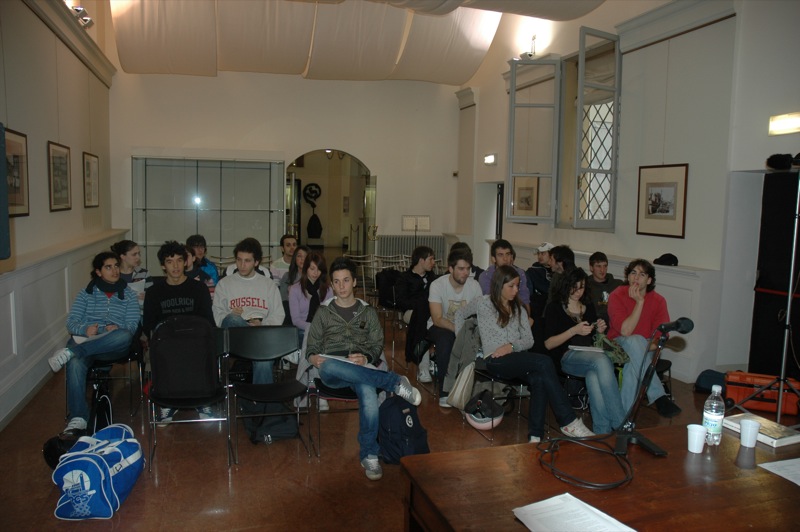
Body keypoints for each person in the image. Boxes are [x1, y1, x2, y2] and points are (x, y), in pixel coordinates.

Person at [306, 257, 421, 481]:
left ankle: (369, 454)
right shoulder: (324, 311)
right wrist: (313, 357)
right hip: (332, 371)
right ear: (331, 285)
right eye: (336, 282)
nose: (341, 286)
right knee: (330, 364)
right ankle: (393, 382)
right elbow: (311, 347)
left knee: (368, 392)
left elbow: (377, 344)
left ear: (355, 282)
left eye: (346, 280)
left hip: (361, 368)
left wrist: (366, 356)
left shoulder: (367, 312)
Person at [455, 266, 594, 443]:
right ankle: (568, 420)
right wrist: (461, 341)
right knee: (544, 362)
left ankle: (535, 436)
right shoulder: (483, 303)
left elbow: (529, 340)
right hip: (493, 359)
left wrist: (511, 346)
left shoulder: (519, 309)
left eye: (517, 286)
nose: (516, 290)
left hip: (515, 358)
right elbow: (459, 314)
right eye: (511, 286)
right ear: (500, 285)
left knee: (539, 377)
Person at [48, 251, 140, 437]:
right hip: (88, 339)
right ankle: (78, 417)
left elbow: (132, 325)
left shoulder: (129, 295)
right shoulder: (86, 294)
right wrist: (85, 329)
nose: (115, 270)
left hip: (112, 344)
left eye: (116, 266)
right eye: (108, 267)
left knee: (124, 336)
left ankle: (71, 352)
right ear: (98, 272)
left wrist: (117, 327)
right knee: (75, 363)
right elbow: (71, 323)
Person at [543, 267, 625, 434]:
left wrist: (599, 330)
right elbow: (548, 344)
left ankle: (602, 430)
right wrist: (574, 330)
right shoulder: (555, 307)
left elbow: (594, 337)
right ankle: (621, 423)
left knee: (594, 376)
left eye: (581, 287)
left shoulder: (588, 307)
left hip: (589, 355)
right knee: (602, 360)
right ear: (566, 285)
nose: (578, 292)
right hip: (566, 356)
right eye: (574, 287)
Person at [143, 241, 215, 421]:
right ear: (163, 266)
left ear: (185, 262)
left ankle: (202, 399)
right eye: (170, 262)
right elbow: (149, 324)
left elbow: (208, 320)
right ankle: (168, 402)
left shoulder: (199, 288)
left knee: (201, 346)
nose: (175, 266)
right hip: (167, 341)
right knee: (166, 349)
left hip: (194, 339)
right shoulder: (154, 292)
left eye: (179, 261)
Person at [607, 259, 681, 417]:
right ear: (628, 276)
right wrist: (639, 302)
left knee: (632, 367)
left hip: (646, 348)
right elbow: (625, 331)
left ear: (649, 280)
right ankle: (659, 396)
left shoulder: (658, 301)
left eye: (641, 274)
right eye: (633, 273)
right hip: (618, 346)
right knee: (635, 340)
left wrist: (641, 348)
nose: (636, 277)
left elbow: (660, 338)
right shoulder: (617, 295)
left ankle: (623, 420)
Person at [213, 237, 285, 385]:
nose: (242, 265)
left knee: (264, 360)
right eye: (239, 260)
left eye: (247, 261)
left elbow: (278, 314)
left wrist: (262, 324)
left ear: (256, 262)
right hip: (236, 333)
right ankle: (257, 348)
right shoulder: (224, 284)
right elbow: (218, 315)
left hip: (261, 331)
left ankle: (260, 399)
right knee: (233, 319)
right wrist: (230, 314)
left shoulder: (268, 285)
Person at [428, 246, 482, 406]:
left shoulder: (474, 286)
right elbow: (437, 319)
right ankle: (445, 391)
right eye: (461, 269)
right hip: (440, 327)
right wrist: (459, 330)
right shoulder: (437, 285)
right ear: (450, 268)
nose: (465, 273)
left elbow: (480, 315)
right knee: (446, 340)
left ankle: (469, 388)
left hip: (466, 328)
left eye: (468, 269)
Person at [395, 246, 437, 383]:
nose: (433, 263)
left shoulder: (433, 278)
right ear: (421, 260)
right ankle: (423, 366)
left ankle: (432, 356)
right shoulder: (404, 278)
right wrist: (421, 303)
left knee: (431, 320)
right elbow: (402, 302)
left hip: (431, 313)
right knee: (422, 319)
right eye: (431, 259)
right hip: (411, 313)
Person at [478, 239, 532, 325]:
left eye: (508, 254)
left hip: (516, 314)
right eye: (500, 255)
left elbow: (525, 300)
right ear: (493, 259)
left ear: (512, 256)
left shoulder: (519, 273)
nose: (505, 259)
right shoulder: (485, 276)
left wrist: (526, 320)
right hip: (494, 317)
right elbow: (491, 303)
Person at [289, 251, 332, 345]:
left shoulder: (328, 290)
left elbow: (329, 317)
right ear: (306, 268)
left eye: (319, 269)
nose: (315, 273)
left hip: (323, 332)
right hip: (302, 331)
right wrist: (313, 327)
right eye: (312, 269)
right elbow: (296, 320)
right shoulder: (295, 289)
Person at [526, 242, 555, 349]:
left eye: (543, 253)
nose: (539, 256)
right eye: (539, 253)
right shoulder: (533, 271)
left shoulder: (557, 271)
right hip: (538, 308)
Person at [586, 251, 623, 324]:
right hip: (595, 323)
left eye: (605, 266)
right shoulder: (586, 286)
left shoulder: (618, 285)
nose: (602, 270)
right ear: (591, 268)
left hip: (615, 322)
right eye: (598, 266)